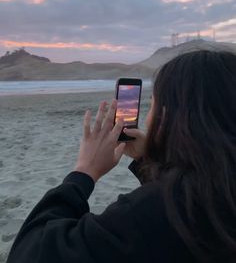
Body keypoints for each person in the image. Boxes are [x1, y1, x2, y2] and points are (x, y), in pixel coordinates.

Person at [6, 49, 236, 263]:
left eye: (152, 105)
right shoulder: (219, 192)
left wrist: (83, 172)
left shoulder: (151, 212)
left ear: (168, 116)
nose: (147, 119)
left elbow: (30, 253)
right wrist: (148, 160)